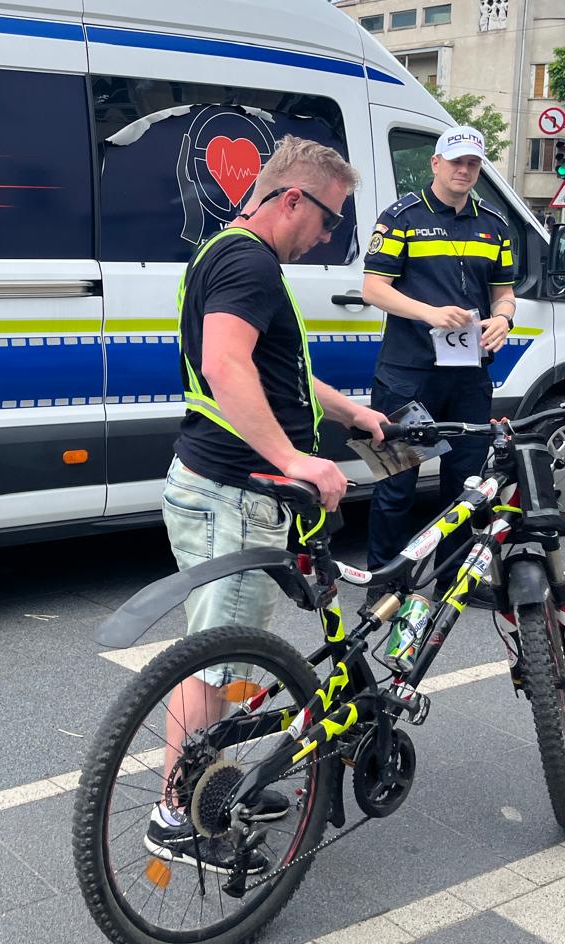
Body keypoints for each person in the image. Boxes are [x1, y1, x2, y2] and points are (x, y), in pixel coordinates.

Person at [148, 137, 387, 873]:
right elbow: (224, 363)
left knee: (216, 648)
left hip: (210, 483)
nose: (328, 237)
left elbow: (268, 368)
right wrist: (292, 460)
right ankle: (178, 817)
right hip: (237, 493)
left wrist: (350, 415)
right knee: (217, 660)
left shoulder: (225, 251)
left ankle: (214, 787)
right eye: (328, 220)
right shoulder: (252, 263)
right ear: (292, 199)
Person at [359, 126, 516, 578]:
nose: (464, 170)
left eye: (473, 163)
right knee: (397, 481)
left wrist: (503, 318)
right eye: (456, 162)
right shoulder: (401, 217)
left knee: (466, 484)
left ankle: (453, 577)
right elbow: (373, 289)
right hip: (408, 373)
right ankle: (386, 579)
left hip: (468, 375)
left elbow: (503, 293)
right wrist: (428, 313)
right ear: (436, 164)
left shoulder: (495, 224)